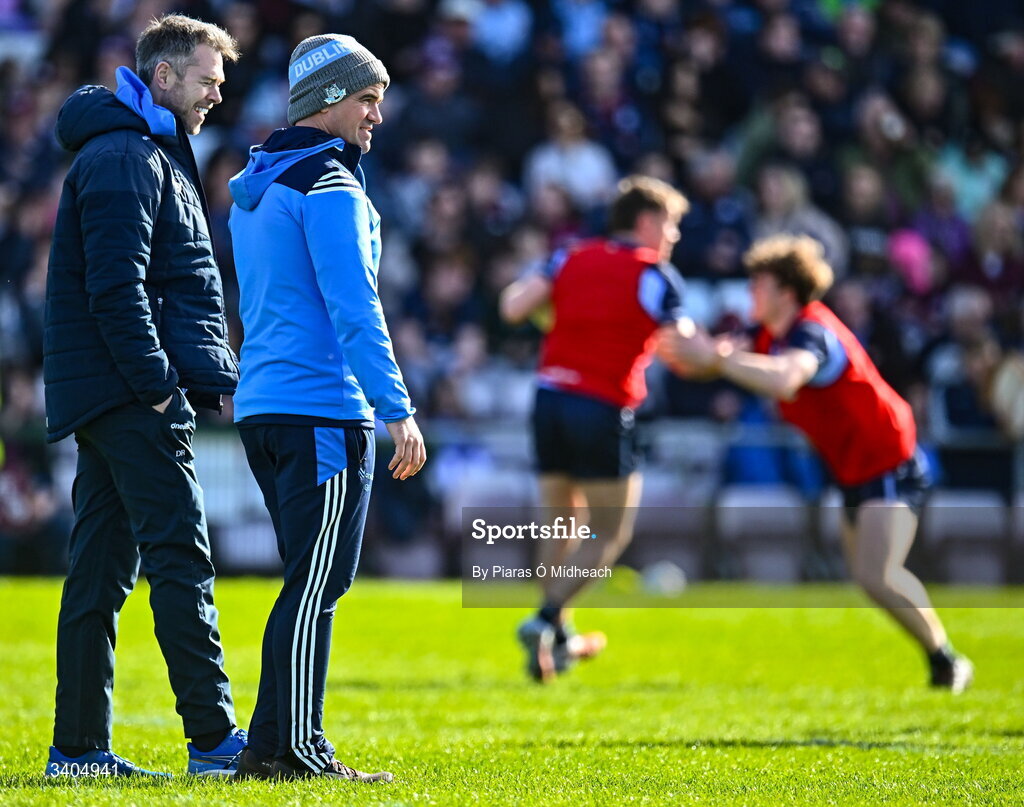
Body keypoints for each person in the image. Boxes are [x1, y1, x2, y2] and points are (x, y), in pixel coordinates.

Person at [43, 15, 247, 778]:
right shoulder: (130, 155)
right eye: (206, 81)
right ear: (163, 78)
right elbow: (117, 289)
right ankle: (215, 741)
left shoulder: (139, 149)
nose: (216, 96)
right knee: (181, 558)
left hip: (107, 392)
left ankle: (78, 749)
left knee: (97, 573)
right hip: (133, 395)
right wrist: (163, 389)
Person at [227, 34, 426, 782]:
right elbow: (354, 305)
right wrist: (395, 407)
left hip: (266, 406)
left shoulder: (259, 182)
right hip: (320, 409)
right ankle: (297, 748)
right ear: (328, 100)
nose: (378, 114)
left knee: (305, 582)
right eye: (367, 98)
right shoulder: (332, 186)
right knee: (318, 585)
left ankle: (267, 749)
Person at [660, 235, 974, 693]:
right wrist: (665, 339)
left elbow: (787, 379)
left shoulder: (812, 332)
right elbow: (708, 360)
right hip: (850, 465)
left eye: (759, 284)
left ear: (786, 292)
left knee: (877, 574)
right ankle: (940, 657)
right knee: (870, 578)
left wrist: (720, 359)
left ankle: (947, 661)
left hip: (888, 457)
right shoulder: (768, 334)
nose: (750, 293)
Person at [500, 175, 693, 682]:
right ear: (648, 222)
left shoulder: (570, 256)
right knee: (609, 531)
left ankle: (555, 637)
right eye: (671, 226)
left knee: (559, 524)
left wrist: (566, 319)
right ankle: (544, 618)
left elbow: (514, 305)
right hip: (603, 405)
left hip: (548, 397)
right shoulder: (654, 274)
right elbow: (685, 348)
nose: (673, 238)